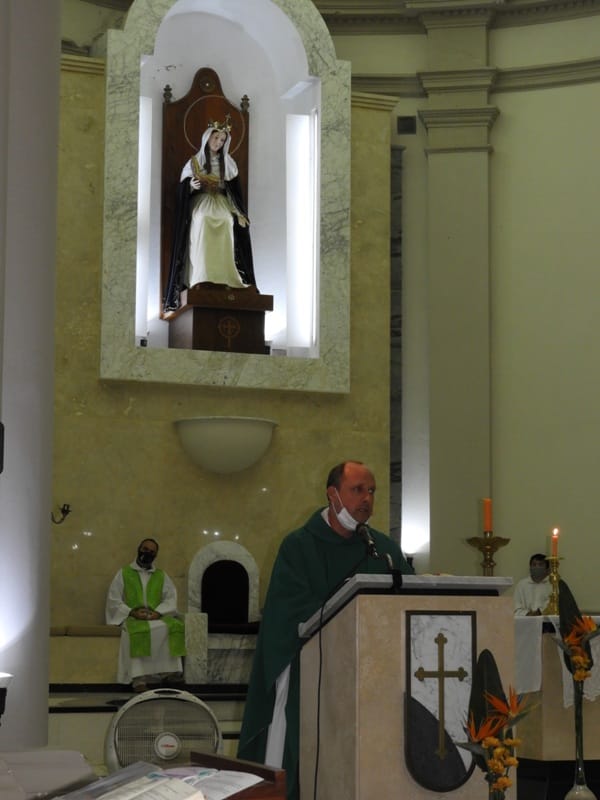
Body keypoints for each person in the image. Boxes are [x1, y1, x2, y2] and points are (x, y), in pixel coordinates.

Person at [237, 461, 414, 800]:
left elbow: (406, 601)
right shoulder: (299, 546)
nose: (367, 499)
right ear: (333, 494)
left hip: (372, 674)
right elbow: (287, 612)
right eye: (357, 490)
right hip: (311, 669)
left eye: (372, 491)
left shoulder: (383, 549)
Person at [163, 120, 256, 312]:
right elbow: (182, 188)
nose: (218, 142)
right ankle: (201, 276)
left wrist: (238, 212)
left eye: (222, 140)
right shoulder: (195, 162)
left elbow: (234, 193)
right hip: (201, 200)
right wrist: (190, 186)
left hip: (221, 201)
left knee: (227, 220)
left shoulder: (228, 164)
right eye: (216, 138)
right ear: (207, 138)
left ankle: (225, 276)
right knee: (203, 218)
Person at [105, 538, 186, 692]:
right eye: (145, 549)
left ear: (156, 555)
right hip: (133, 617)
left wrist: (158, 612)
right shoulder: (124, 573)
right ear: (139, 549)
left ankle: (168, 674)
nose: (147, 553)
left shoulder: (161, 575)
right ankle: (139, 680)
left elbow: (171, 598)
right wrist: (132, 612)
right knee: (136, 632)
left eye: (152, 551)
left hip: (155, 616)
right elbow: (114, 599)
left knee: (173, 626)